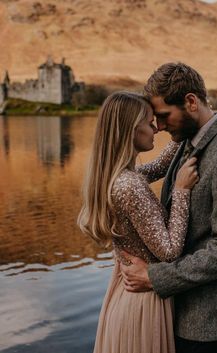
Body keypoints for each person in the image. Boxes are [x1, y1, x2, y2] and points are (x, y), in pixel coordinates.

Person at [120, 62, 217, 353]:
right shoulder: (188, 138)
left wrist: (153, 277)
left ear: (191, 102)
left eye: (162, 116)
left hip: (208, 326)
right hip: (178, 314)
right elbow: (144, 173)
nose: (157, 126)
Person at [78, 91, 199, 353]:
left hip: (124, 295)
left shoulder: (114, 177)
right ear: (131, 130)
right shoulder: (130, 185)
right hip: (144, 304)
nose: (156, 127)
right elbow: (169, 251)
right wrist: (181, 191)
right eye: (149, 122)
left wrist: (184, 128)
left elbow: (157, 167)